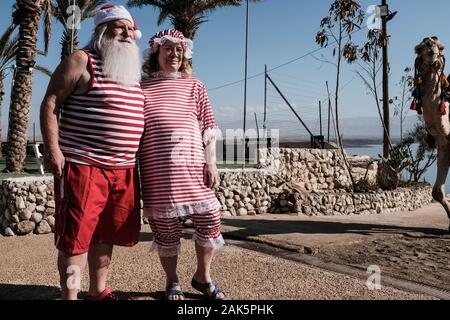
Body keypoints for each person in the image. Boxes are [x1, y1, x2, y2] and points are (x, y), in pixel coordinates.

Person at [40, 4, 144, 300]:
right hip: (83, 166)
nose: (126, 33)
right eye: (118, 26)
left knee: (105, 235)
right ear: (101, 30)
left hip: (123, 170)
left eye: (129, 28)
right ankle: (69, 296)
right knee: (75, 241)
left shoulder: (130, 72)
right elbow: (50, 103)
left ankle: (98, 291)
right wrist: (52, 149)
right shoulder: (81, 60)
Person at [140, 29, 227, 300]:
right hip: (158, 172)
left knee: (211, 216)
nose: (174, 54)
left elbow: (210, 127)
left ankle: (203, 277)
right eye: (168, 48)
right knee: (166, 229)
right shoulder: (141, 86)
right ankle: (173, 281)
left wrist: (211, 163)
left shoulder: (195, 86)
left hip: (192, 168)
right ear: (156, 52)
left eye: (179, 49)